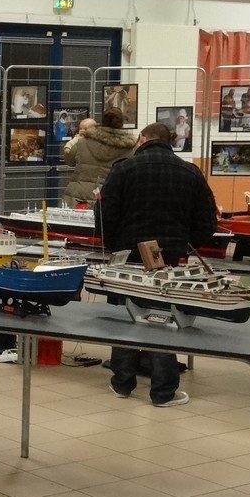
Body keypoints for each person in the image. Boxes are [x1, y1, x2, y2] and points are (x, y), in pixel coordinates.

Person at [95, 122, 219, 407]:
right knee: (164, 319)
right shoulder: (190, 172)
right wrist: (183, 243)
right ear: (170, 141)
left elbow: (105, 215)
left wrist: (115, 246)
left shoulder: (123, 169)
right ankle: (163, 391)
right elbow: (208, 222)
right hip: (170, 256)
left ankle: (122, 383)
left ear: (142, 139)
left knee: (126, 316)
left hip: (128, 253)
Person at [62, 109, 136, 206]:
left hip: (79, 197)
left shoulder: (83, 141)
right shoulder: (130, 149)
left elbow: (69, 160)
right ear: (121, 125)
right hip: (110, 198)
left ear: (102, 122)